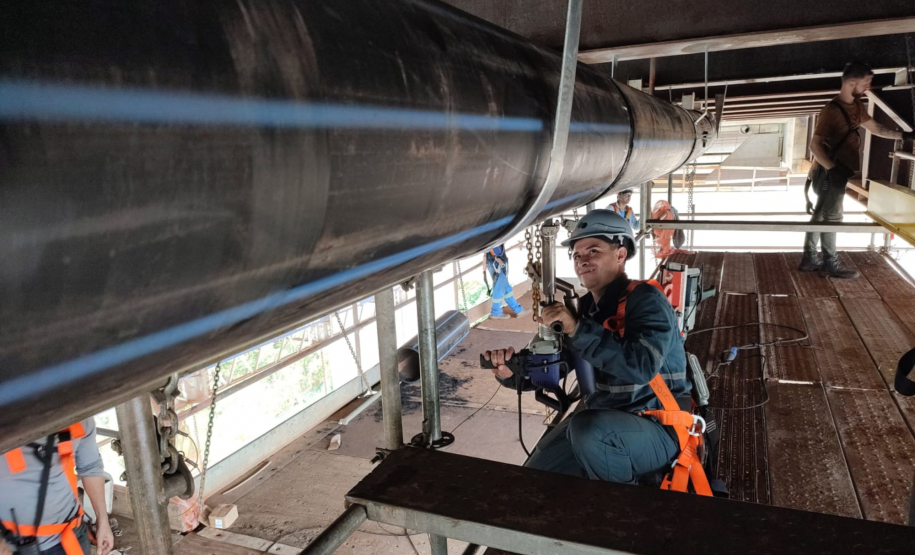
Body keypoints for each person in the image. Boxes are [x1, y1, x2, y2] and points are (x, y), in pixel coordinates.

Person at [484, 210, 692, 484]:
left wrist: (576, 329)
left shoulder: (647, 300)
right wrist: (513, 373)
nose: (582, 260)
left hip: (658, 426)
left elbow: (641, 367)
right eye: (577, 255)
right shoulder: (587, 310)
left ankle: (623, 518)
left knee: (588, 430)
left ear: (620, 255)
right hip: (606, 420)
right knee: (533, 476)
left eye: (593, 250)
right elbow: (559, 365)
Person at [800, 61, 914, 278]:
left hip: (836, 171)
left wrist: (904, 136)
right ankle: (828, 263)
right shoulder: (832, 110)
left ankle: (811, 259)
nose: (868, 87)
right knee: (830, 217)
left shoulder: (856, 106)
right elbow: (814, 145)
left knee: (823, 215)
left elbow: (876, 128)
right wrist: (833, 170)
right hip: (829, 172)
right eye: (865, 83)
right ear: (851, 83)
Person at [1, 419, 114, 555]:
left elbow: (90, 467)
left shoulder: (79, 412)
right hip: (11, 544)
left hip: (71, 538)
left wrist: (102, 520)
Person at [485, 245, 529, 320]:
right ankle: (495, 312)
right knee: (499, 289)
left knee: (507, 289)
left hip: (498, 261)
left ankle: (518, 310)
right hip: (497, 262)